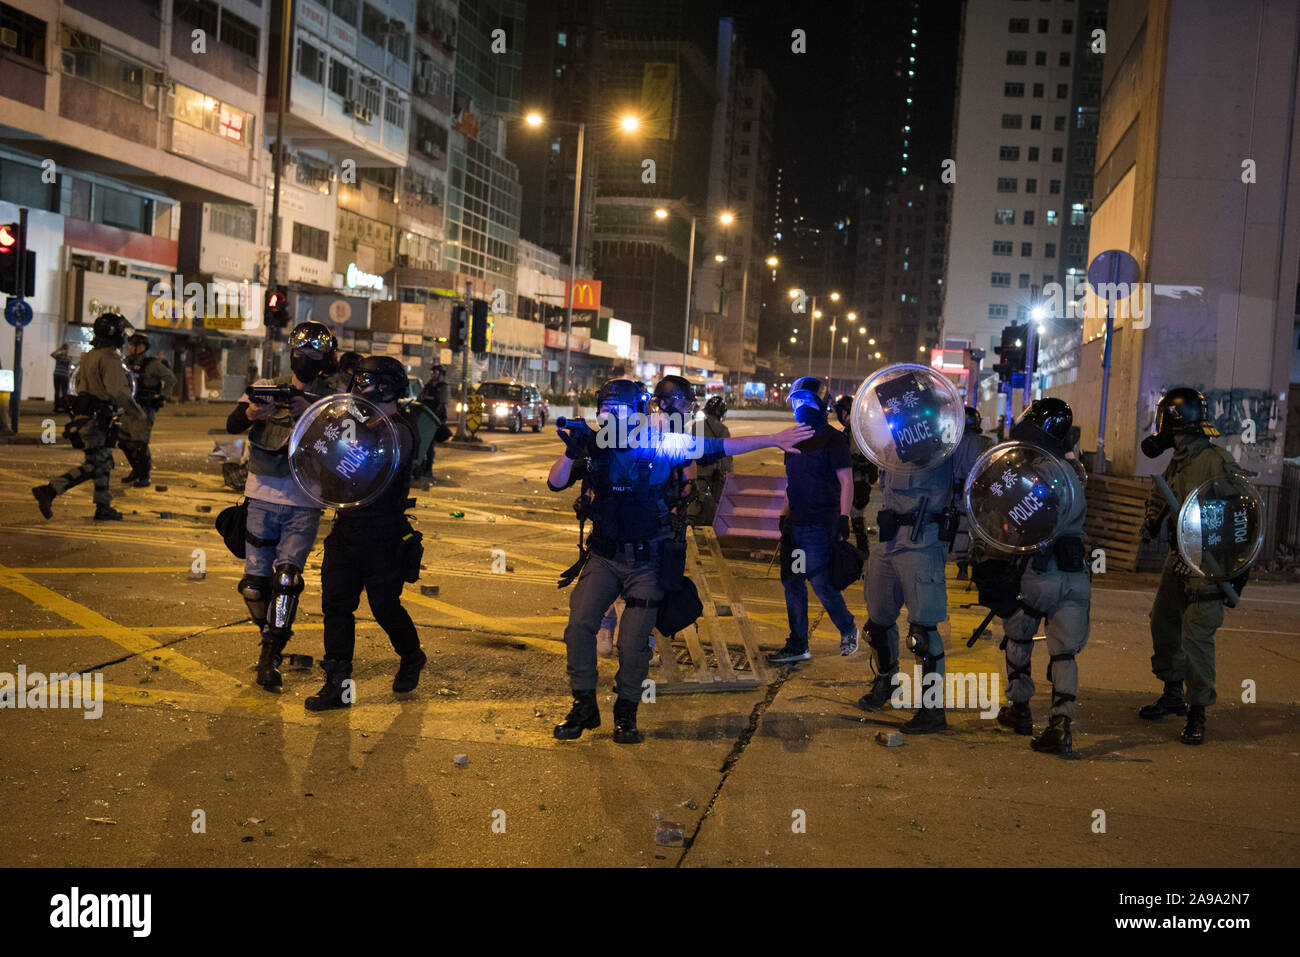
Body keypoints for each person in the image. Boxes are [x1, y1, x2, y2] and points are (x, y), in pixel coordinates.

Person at [547, 377, 811, 744]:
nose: (610, 418)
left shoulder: (660, 444)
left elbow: (718, 447)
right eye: (605, 411)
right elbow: (555, 482)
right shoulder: (594, 447)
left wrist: (772, 439)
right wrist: (573, 451)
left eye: (617, 411)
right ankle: (583, 706)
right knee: (579, 626)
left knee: (634, 642)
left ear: (635, 412)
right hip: (604, 556)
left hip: (647, 559)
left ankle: (626, 713)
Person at [306, 356, 427, 711]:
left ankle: (411, 655)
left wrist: (351, 435)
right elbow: (322, 460)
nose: (360, 387)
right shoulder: (353, 421)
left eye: (367, 380)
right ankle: (337, 686)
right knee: (336, 607)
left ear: (387, 386)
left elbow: (370, 466)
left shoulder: (401, 430)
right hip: (346, 527)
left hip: (384, 533)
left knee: (384, 606)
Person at [225, 321, 339, 691]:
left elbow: (346, 447)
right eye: (299, 351)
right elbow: (231, 424)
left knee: (287, 579)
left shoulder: (332, 400)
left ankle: (270, 656)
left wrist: (311, 413)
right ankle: (271, 633)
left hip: (304, 500)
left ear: (326, 358)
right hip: (261, 494)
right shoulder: (266, 388)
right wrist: (252, 414)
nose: (304, 358)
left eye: (314, 353)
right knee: (255, 587)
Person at [1138, 387, 1253, 745]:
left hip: (1208, 563)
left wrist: (1236, 568)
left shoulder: (1216, 461)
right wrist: (1153, 519)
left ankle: (1197, 709)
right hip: (1180, 557)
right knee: (1164, 622)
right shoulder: (1179, 461)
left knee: (1196, 637)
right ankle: (1173, 692)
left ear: (1176, 422)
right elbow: (1164, 493)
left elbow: (1244, 512)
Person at [975, 398, 1090, 755]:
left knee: (1018, 634)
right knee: (1064, 652)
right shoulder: (1074, 470)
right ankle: (1061, 724)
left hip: (1039, 571)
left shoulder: (1035, 472)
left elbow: (1015, 526)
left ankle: (1020, 709)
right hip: (1076, 576)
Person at [854, 378, 961, 734]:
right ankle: (886, 680)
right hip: (887, 540)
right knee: (878, 623)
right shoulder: (889, 443)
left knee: (923, 633)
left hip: (922, 540)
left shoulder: (946, 444)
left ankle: (932, 710)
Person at [769, 378, 859, 662]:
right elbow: (790, 483)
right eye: (796, 402)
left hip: (821, 525)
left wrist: (844, 517)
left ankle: (848, 628)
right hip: (796, 527)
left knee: (821, 583)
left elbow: (846, 482)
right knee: (793, 581)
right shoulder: (791, 438)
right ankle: (798, 643)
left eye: (806, 401)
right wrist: (784, 515)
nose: (800, 407)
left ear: (821, 404)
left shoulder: (834, 440)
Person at [32, 313, 143, 522]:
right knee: (96, 464)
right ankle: (50, 490)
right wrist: (136, 411)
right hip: (97, 418)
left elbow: (79, 386)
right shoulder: (110, 358)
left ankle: (103, 506)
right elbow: (118, 391)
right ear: (115, 333)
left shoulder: (89, 356)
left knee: (102, 461)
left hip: (86, 416)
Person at [117, 333, 177, 488]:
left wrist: (162, 396)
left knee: (139, 444)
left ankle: (144, 476)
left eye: (134, 345)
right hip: (128, 408)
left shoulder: (152, 364)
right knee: (123, 441)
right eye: (130, 345)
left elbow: (170, 378)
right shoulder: (127, 363)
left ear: (143, 347)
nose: (131, 348)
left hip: (144, 409)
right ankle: (136, 470)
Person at [951, 407, 995, 580]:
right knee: (979, 527)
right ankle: (977, 557)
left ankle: (962, 566)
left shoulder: (953, 443)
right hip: (980, 491)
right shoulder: (986, 443)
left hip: (958, 491)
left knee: (961, 529)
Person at [833, 393, 878, 556]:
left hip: (858, 482)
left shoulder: (860, 432)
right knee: (851, 518)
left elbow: (869, 458)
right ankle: (854, 551)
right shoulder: (849, 432)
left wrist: (855, 462)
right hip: (850, 482)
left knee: (856, 518)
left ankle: (861, 552)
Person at [690, 395, 733, 526]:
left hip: (696, 469)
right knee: (715, 501)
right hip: (713, 472)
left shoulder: (696, 426)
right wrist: (729, 472)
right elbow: (726, 455)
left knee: (696, 496)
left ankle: (689, 522)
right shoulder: (722, 430)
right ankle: (711, 525)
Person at [50, 344, 73, 413]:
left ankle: (62, 406)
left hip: (60, 375)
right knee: (60, 391)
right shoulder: (59, 356)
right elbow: (52, 354)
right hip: (60, 375)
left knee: (62, 392)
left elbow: (69, 362)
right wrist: (59, 351)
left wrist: (62, 352)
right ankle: (59, 406)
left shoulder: (66, 357)